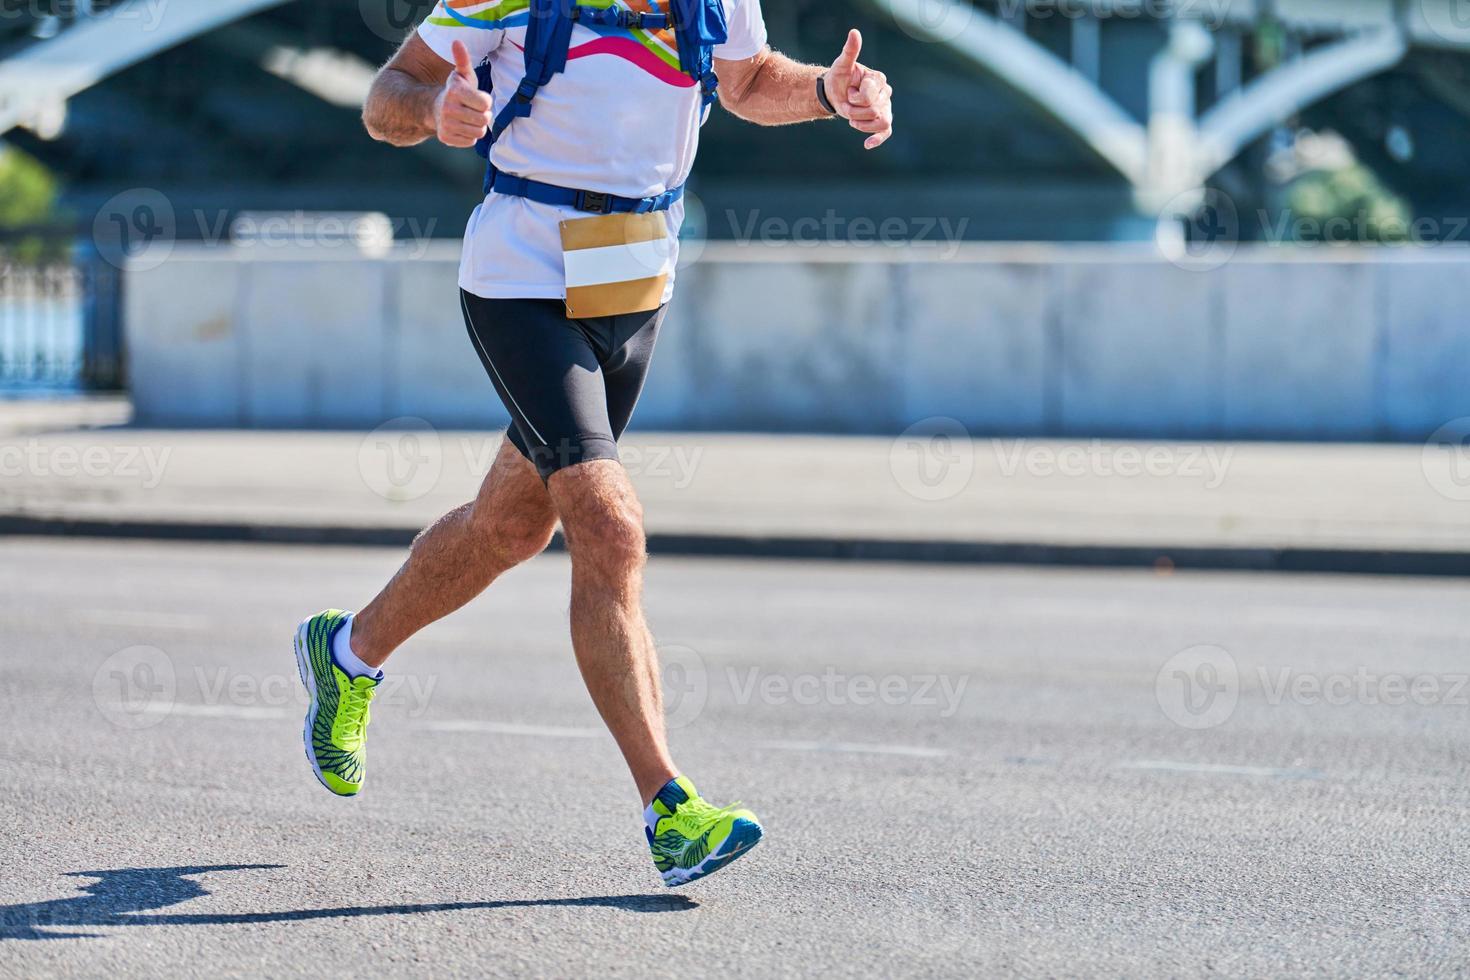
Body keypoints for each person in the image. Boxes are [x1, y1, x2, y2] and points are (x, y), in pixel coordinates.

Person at [293, 0, 894, 887]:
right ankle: (670, 810)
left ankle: (347, 654)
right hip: (521, 278)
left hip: (634, 284)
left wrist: (827, 93)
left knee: (511, 527)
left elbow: (749, 80)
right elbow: (389, 96)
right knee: (608, 527)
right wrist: (432, 114)